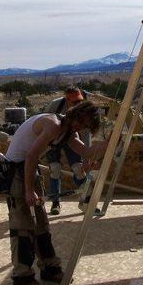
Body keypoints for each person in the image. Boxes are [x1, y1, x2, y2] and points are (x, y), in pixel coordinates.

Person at [4, 100, 105, 285]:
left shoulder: (67, 132)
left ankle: (50, 269)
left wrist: (112, 142)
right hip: (15, 171)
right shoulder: (53, 125)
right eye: (80, 122)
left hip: (28, 170)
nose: (80, 127)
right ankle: (22, 278)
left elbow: (86, 151)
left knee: (41, 224)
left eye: (85, 126)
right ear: (74, 114)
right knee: (23, 226)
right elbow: (32, 156)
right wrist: (27, 190)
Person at [43, 86, 92, 215]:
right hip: (54, 137)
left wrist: (87, 158)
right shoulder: (55, 106)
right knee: (55, 168)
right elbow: (44, 125)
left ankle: (87, 201)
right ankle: (55, 203)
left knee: (78, 168)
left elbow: (86, 134)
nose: (78, 104)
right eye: (75, 102)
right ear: (67, 99)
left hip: (73, 138)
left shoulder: (84, 110)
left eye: (79, 101)